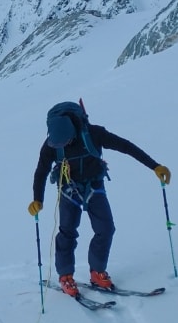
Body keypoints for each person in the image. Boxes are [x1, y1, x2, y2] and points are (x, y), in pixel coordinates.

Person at [27, 103, 170, 297]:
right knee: (67, 232)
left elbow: (126, 147)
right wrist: (38, 199)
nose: (60, 146)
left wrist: (154, 166)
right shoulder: (50, 144)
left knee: (106, 229)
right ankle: (66, 276)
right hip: (69, 188)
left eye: (65, 142)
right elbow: (41, 171)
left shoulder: (94, 134)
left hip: (93, 186)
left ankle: (97, 271)